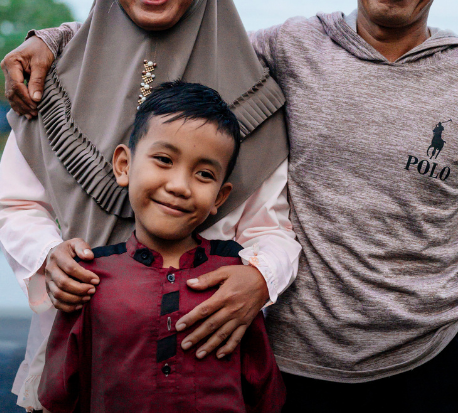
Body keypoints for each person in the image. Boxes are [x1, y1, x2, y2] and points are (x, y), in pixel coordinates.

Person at [2, 0, 458, 412]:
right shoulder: (287, 49)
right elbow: (179, 24)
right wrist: (55, 39)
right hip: (287, 363)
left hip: (427, 362)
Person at [0, 0, 300, 412]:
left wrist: (258, 277)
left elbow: (272, 228)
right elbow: (14, 203)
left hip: (208, 371)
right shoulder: (56, 80)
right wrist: (49, 256)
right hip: (81, 360)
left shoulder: (254, 91)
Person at [38, 81, 285, 413]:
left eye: (204, 174)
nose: (179, 186)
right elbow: (59, 394)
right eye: (164, 159)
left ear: (220, 197)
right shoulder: (90, 277)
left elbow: (264, 392)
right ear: (124, 165)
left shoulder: (235, 278)